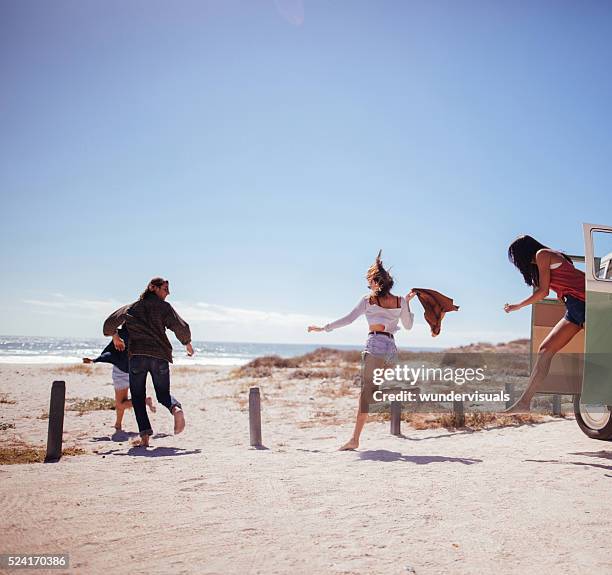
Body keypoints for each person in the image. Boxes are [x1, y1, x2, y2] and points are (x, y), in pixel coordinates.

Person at [308, 251, 415, 450]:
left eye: (370, 282)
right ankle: (405, 394)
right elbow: (408, 326)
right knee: (375, 392)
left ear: (377, 282)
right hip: (391, 350)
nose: (368, 286)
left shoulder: (368, 300)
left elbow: (348, 319)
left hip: (375, 346)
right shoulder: (401, 300)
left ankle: (355, 440)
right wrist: (407, 304)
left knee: (366, 395)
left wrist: (324, 328)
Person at [103, 277, 194, 447]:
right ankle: (176, 409)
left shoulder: (132, 307)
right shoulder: (164, 308)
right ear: (153, 287)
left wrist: (115, 336)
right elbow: (181, 326)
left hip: (137, 357)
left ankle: (145, 437)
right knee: (163, 394)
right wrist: (187, 343)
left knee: (138, 397)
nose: (168, 293)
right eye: (165, 289)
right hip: (160, 356)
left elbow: (108, 325)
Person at [504, 235, 585, 412]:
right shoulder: (547, 256)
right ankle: (525, 402)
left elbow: (543, 292)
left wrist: (517, 306)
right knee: (545, 349)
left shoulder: (542, 254)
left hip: (583, 302)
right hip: (574, 306)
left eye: (516, 258)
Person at [82, 326, 156, 431]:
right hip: (137, 370)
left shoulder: (120, 334)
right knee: (121, 402)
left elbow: (110, 353)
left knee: (120, 403)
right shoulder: (142, 333)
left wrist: (95, 360)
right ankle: (118, 424)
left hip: (121, 372)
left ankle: (144, 401)